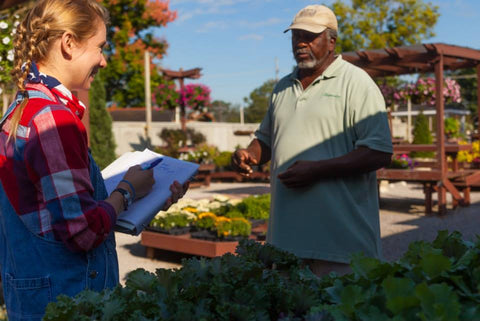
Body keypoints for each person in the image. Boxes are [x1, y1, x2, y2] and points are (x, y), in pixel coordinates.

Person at [0, 1, 188, 320]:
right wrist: (126, 191)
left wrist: (145, 197)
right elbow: (81, 231)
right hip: (70, 299)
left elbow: (51, 210)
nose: (103, 60)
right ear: (69, 43)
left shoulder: (18, 110)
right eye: (100, 47)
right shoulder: (53, 121)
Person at [232, 4, 392, 277]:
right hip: (286, 244)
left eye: (310, 36)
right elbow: (266, 141)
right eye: (296, 36)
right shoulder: (282, 87)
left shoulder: (356, 83)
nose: (301, 43)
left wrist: (318, 170)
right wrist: (249, 154)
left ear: (332, 41)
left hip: (341, 246)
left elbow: (378, 152)